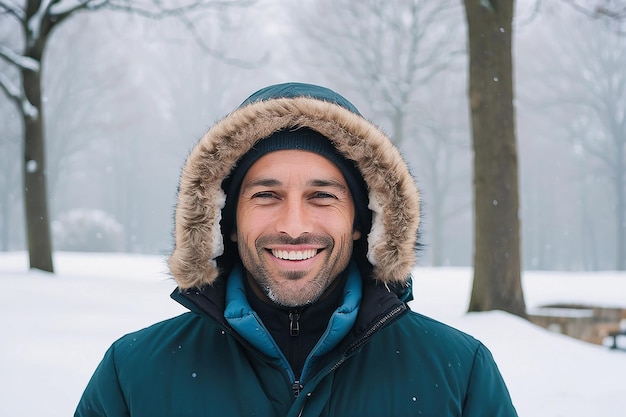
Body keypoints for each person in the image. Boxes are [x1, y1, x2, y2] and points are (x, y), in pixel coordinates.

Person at [75, 82, 518, 416]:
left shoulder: (459, 372)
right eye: (266, 196)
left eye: (322, 196)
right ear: (226, 221)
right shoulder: (133, 373)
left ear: (363, 222)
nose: (293, 226)